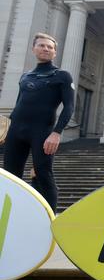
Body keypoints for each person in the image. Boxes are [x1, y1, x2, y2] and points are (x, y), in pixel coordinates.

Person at [3, 32, 74, 211]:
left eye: (50, 47)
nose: (46, 49)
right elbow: (19, 105)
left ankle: (51, 220)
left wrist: (57, 133)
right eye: (42, 45)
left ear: (55, 53)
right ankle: (11, 216)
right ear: (33, 48)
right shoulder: (25, 77)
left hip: (42, 132)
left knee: (43, 174)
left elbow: (69, 107)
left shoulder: (62, 76)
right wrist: (6, 129)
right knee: (11, 175)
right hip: (16, 131)